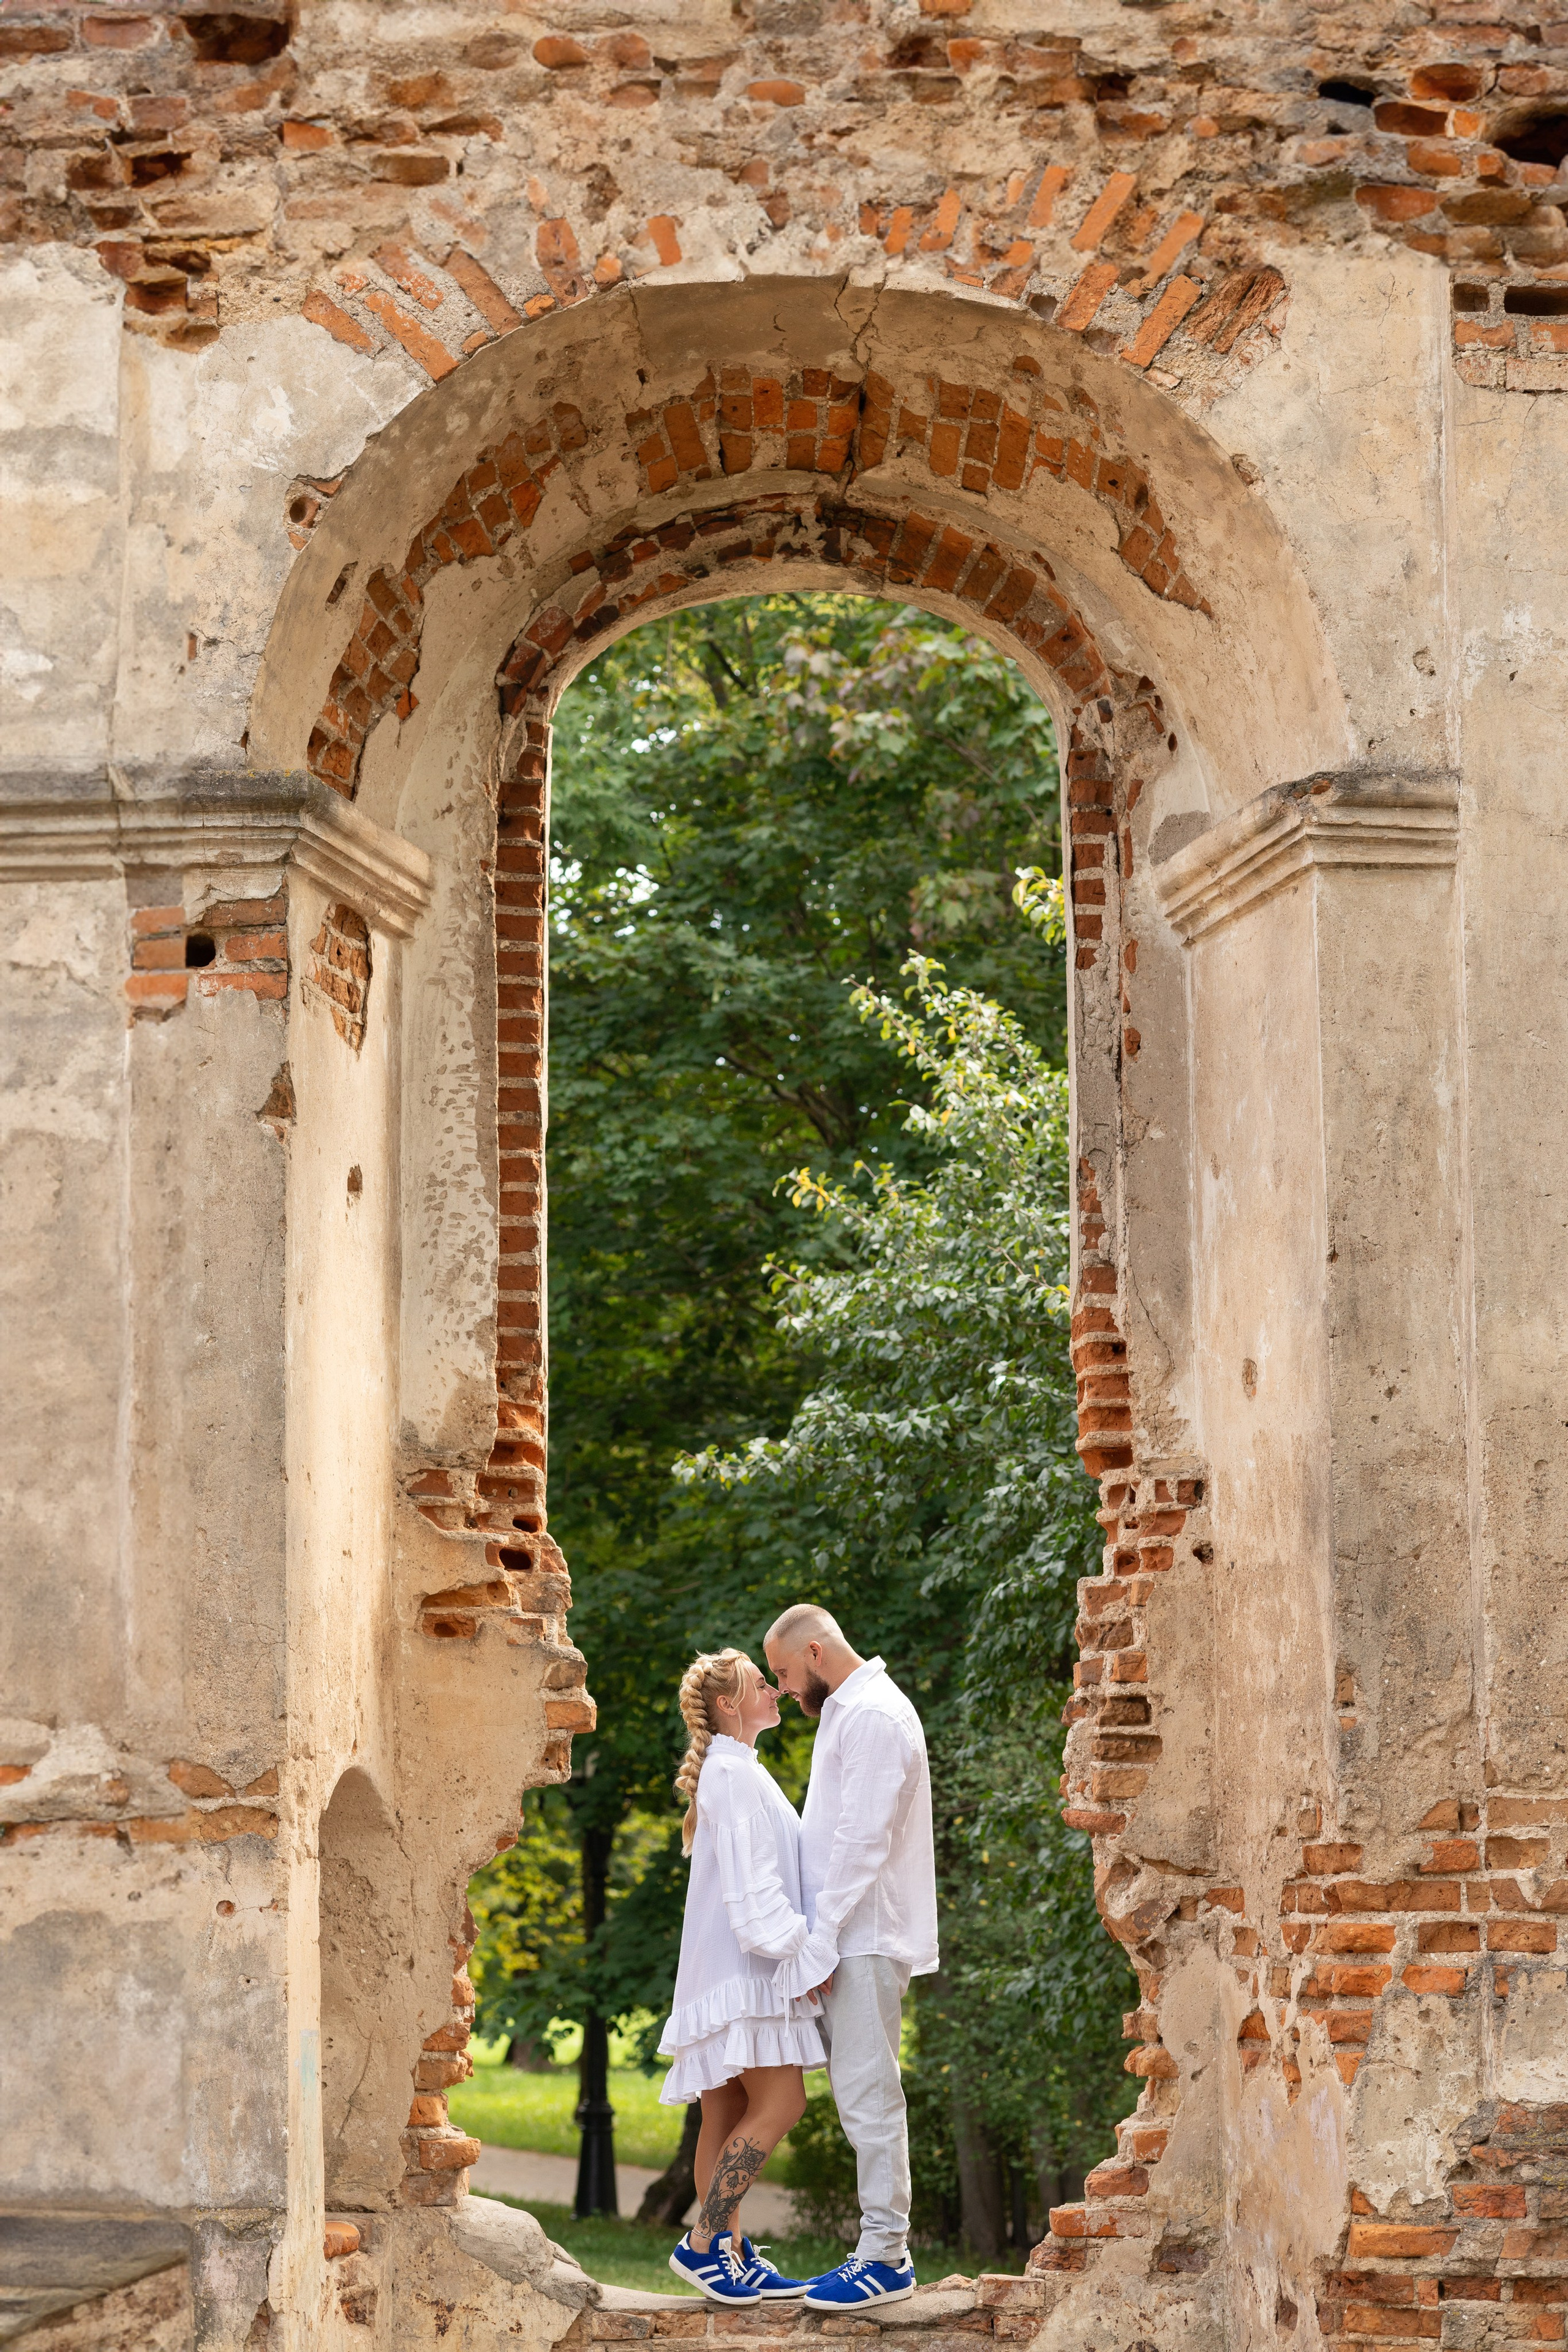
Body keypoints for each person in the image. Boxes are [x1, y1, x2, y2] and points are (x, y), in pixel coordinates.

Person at [764, 1605, 937, 2310]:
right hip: (844, 1935)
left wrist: (820, 1939)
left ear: (814, 1650)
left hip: (859, 1936)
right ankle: (876, 2248)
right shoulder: (846, 1709)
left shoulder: (872, 1716)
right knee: (857, 2094)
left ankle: (886, 2256)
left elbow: (861, 1842)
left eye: (781, 1673)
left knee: (869, 2094)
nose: (778, 1688)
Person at [656, 1648, 827, 2306]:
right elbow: (754, 1889)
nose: (776, 1691)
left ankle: (728, 2253)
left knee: (724, 2113)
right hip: (749, 1972)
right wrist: (801, 1954)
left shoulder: (733, 1771)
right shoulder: (735, 1777)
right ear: (729, 1705)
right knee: (783, 2103)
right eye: (763, 1684)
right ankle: (703, 2245)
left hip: (729, 1972)